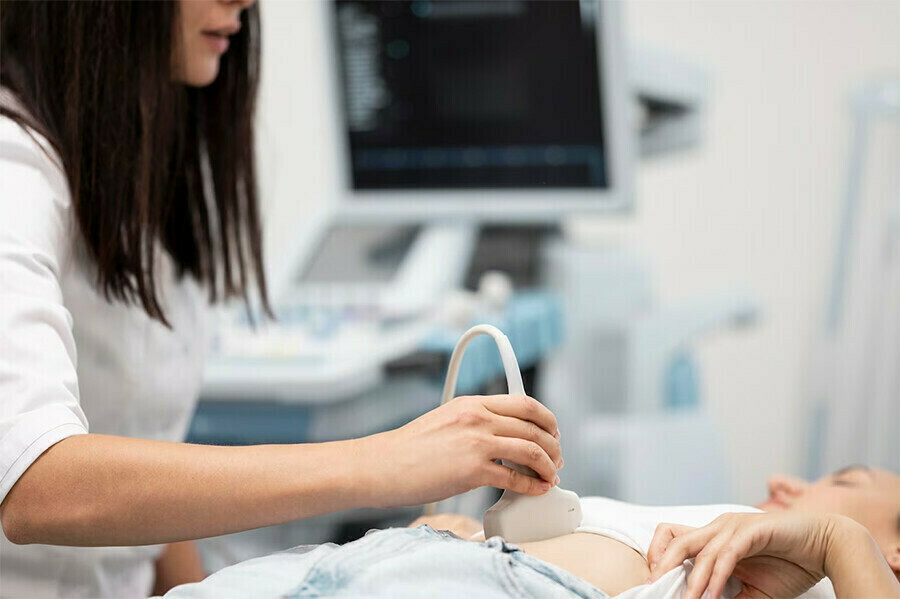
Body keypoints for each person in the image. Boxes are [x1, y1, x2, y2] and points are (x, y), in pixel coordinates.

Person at [0, 2, 562, 597]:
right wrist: (383, 462)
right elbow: (34, 484)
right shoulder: (15, 169)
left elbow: (148, 474)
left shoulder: (136, 167)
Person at [158, 467, 900, 598]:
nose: (784, 483)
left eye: (844, 481)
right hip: (402, 563)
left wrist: (838, 540)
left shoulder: (832, 572)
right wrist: (454, 538)